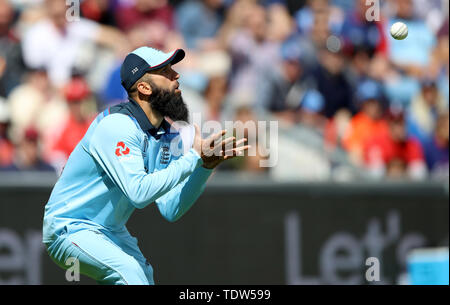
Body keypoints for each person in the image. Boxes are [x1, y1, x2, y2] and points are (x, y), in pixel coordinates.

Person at [42, 46, 249, 285]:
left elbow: (170, 208)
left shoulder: (168, 134)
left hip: (108, 231)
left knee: (143, 279)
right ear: (144, 87)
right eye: (166, 71)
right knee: (130, 273)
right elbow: (139, 193)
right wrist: (194, 157)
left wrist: (203, 168)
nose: (176, 76)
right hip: (69, 227)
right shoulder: (117, 126)